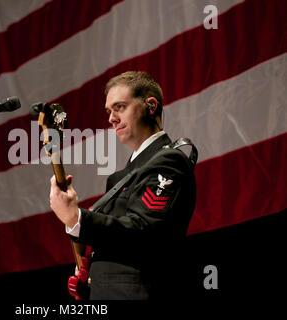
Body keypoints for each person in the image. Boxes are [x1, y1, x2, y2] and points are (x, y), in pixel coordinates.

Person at [49, 71, 197, 300]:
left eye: (119, 107)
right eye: (109, 111)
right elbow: (116, 246)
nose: (111, 118)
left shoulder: (170, 161)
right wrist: (91, 275)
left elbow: (144, 231)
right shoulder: (119, 178)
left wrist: (77, 219)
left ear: (150, 105)